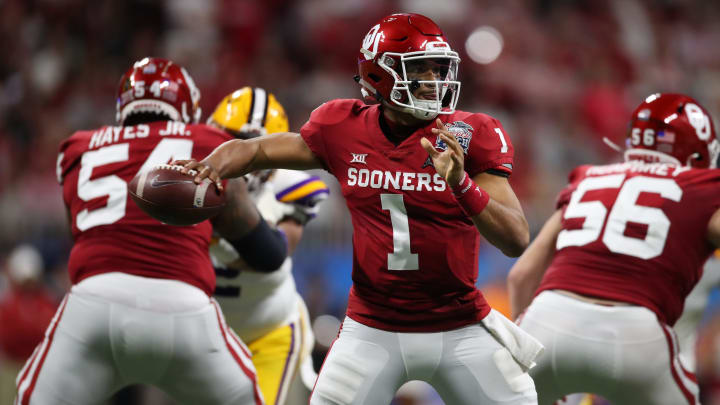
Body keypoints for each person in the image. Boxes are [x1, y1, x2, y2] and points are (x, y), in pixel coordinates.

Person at [178, 13, 542, 405]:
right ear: (380, 76)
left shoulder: (471, 134)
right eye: (421, 71)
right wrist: (211, 166)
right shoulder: (342, 127)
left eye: (439, 70)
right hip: (373, 325)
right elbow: (258, 149)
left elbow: (516, 238)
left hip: (460, 323)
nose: (436, 82)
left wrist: (460, 184)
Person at [15, 57, 290, 405]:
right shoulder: (208, 141)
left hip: (93, 305)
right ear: (187, 107)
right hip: (185, 309)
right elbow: (266, 254)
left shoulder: (77, 148)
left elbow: (84, 235)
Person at [507, 92, 720, 405]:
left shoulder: (589, 178)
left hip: (547, 321)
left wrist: (527, 357)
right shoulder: (704, 188)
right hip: (637, 334)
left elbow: (521, 275)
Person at [207, 86, 329, 405]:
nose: (242, 154)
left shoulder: (290, 188)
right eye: (230, 140)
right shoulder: (188, 179)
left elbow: (271, 255)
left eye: (254, 147)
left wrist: (230, 221)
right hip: (200, 332)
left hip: (268, 331)